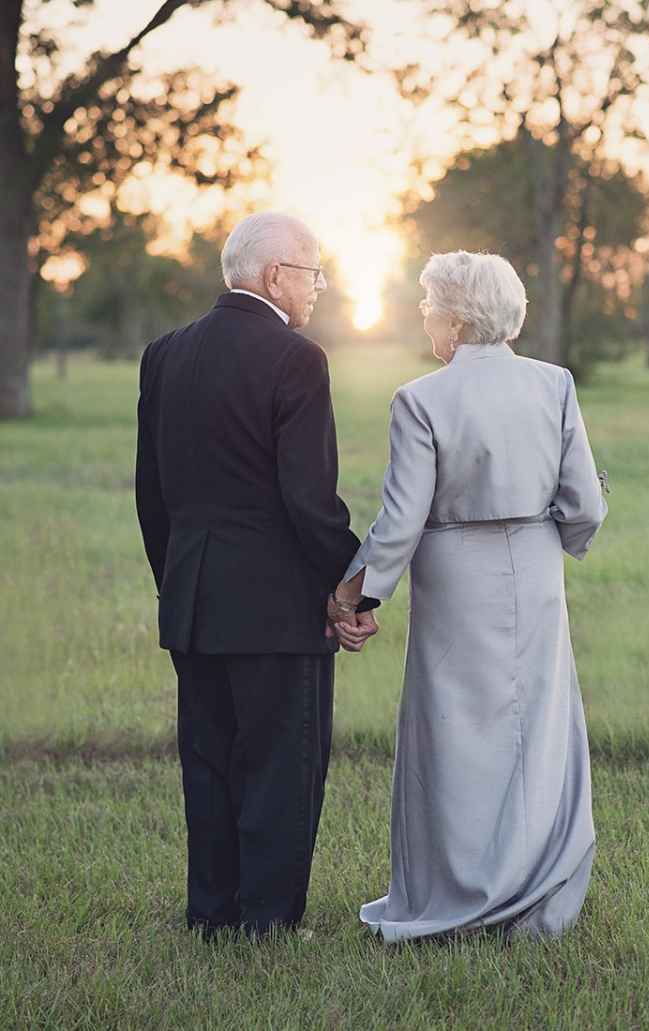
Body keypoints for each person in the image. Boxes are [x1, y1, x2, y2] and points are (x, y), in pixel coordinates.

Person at [326, 250, 608, 942]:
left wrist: (353, 597)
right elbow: (585, 507)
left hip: (453, 574)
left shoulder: (420, 398)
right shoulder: (555, 385)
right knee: (535, 728)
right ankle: (535, 889)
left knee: (453, 736)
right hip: (537, 575)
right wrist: (553, 535)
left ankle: (455, 893)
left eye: (427, 305)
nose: (424, 316)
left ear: (453, 320)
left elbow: (398, 523)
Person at [135, 211, 378, 939]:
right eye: (312, 273)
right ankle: (268, 921)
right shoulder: (296, 357)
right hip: (275, 606)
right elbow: (310, 501)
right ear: (276, 275)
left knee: (207, 763)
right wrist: (350, 589)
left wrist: (176, 581)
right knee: (281, 766)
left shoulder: (163, 353)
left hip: (193, 596)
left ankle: (211, 913)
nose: (318, 288)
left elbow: (152, 495)